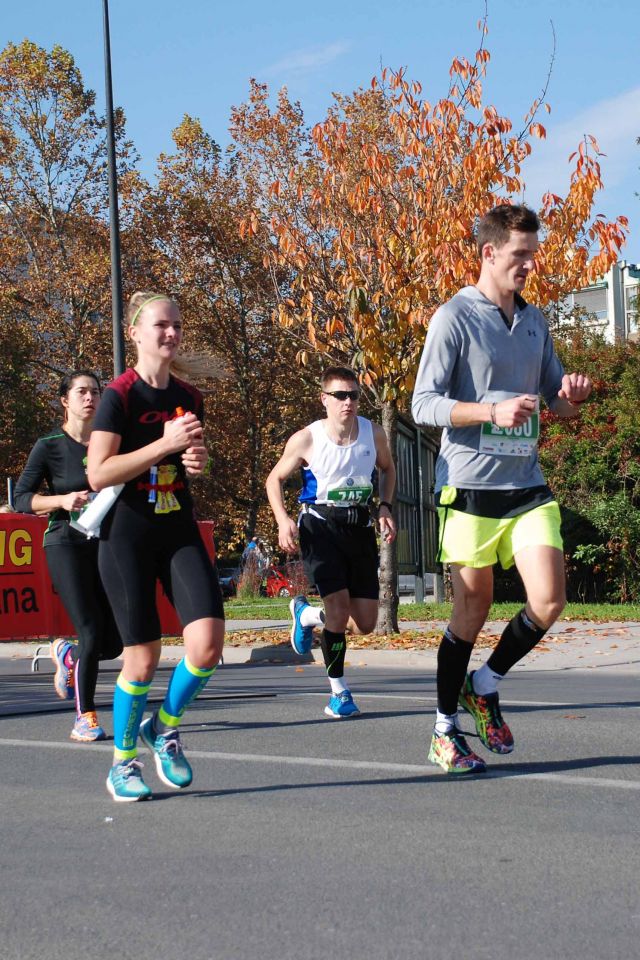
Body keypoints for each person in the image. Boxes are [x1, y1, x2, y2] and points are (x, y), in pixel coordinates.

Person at [411, 203, 592, 774]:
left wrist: (573, 397)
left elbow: (553, 399)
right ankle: (444, 730)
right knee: (474, 609)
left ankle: (484, 684)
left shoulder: (536, 322)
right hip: (468, 488)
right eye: (520, 256)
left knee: (548, 600)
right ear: (489, 253)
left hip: (526, 486)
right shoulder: (453, 318)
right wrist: (491, 411)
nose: (529, 266)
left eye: (532, 255)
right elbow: (423, 404)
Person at [87, 291, 225, 802]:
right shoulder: (118, 396)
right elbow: (98, 473)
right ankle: (122, 765)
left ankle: (162, 728)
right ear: (136, 333)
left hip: (177, 527)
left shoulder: (189, 396)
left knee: (208, 647)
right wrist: (162, 445)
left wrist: (196, 460)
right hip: (127, 535)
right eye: (161, 325)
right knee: (141, 660)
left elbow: (192, 461)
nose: (171, 334)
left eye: (177, 326)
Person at [266, 366, 397, 718]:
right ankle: (339, 692)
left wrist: (384, 505)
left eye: (353, 395)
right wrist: (283, 519)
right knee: (338, 611)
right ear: (324, 399)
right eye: (340, 395)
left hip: (359, 526)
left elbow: (387, 469)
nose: (348, 402)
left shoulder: (374, 434)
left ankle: (307, 615)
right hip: (320, 527)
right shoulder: (307, 439)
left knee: (366, 623)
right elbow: (274, 479)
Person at [14, 371, 123, 742]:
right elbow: (21, 498)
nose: (90, 397)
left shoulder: (108, 445)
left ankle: (67, 656)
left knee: (114, 642)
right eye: (82, 392)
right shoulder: (49, 445)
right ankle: (85, 716)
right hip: (64, 540)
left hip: (105, 541)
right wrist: (61, 500)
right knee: (90, 629)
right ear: (65, 400)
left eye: (95, 391)